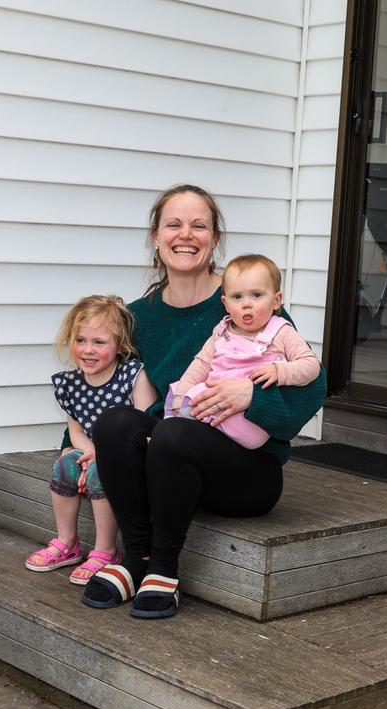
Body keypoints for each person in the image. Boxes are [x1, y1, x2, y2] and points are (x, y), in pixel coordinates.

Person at [79, 184, 326, 619]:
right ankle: (133, 558)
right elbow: (106, 381)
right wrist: (77, 444)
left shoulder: (248, 302)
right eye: (173, 225)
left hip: (245, 473)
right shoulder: (138, 317)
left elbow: (314, 385)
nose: (185, 235)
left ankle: (164, 568)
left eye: (199, 225)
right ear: (156, 237)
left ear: (214, 239)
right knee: (117, 423)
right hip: (169, 464)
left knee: (174, 430)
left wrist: (251, 395)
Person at [25, 295, 156, 586]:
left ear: (120, 346)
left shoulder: (132, 376)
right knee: (64, 466)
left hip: (131, 458)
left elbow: (147, 427)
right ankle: (67, 542)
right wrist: (88, 456)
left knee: (101, 470)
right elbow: (76, 433)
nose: (88, 350)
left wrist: (103, 458)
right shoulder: (71, 385)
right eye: (81, 340)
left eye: (99, 342)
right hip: (92, 453)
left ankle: (107, 550)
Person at [166, 254, 320, 449]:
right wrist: (181, 397)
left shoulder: (281, 331)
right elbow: (200, 365)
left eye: (256, 295)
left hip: (248, 421)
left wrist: (279, 372)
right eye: (237, 297)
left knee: (183, 428)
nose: (246, 303)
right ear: (226, 303)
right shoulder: (222, 331)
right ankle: (173, 434)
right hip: (211, 409)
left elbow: (311, 365)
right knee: (182, 399)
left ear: (276, 300)